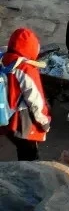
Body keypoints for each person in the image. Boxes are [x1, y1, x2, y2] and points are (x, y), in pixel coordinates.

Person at [0, 28, 51, 160]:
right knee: (28, 155)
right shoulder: (25, 67)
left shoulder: (3, 58)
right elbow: (35, 100)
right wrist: (44, 122)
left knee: (18, 144)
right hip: (20, 119)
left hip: (5, 112)